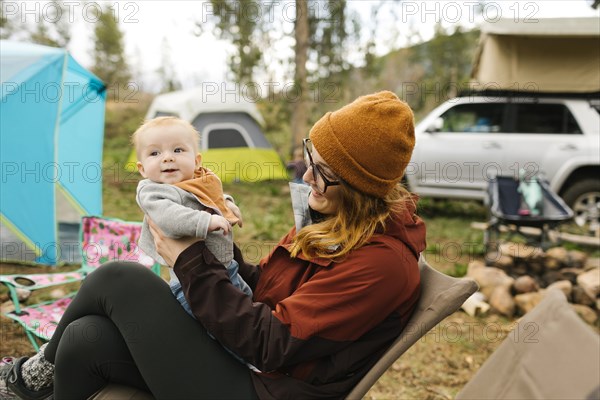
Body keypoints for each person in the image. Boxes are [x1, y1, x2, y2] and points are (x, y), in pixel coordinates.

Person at [0, 90, 426, 400]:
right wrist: (217, 245)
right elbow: (267, 291)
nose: (308, 177)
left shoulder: (382, 265)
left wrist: (189, 261)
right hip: (249, 366)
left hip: (264, 386)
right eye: (309, 157)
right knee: (83, 338)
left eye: (325, 171)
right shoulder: (336, 221)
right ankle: (35, 380)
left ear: (361, 187)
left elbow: (272, 343)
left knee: (122, 278)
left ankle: (25, 381)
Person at [131, 116, 253, 319]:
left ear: (196, 161)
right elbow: (169, 216)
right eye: (155, 153)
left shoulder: (197, 180)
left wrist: (228, 204)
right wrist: (205, 221)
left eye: (178, 150)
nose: (167, 158)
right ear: (142, 168)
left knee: (247, 304)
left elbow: (211, 198)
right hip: (191, 281)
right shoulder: (152, 192)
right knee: (216, 322)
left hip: (226, 267)